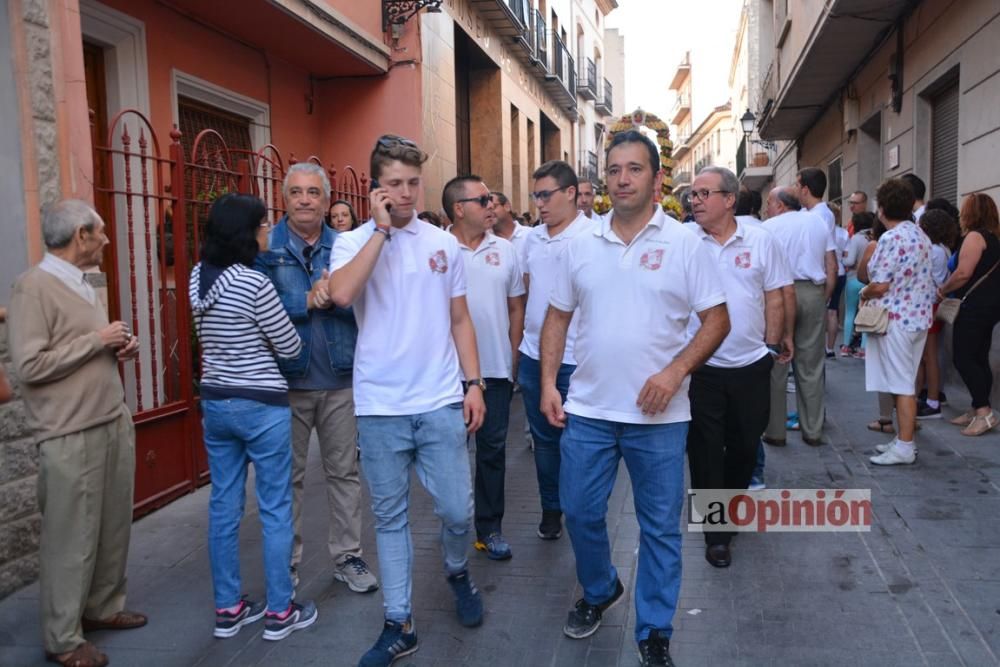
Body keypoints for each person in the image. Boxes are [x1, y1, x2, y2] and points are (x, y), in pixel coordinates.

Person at [540, 130, 729, 667]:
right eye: (614, 169)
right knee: (578, 511)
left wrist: (674, 373)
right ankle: (600, 589)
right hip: (590, 412)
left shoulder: (686, 242)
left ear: (656, 178)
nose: (622, 178)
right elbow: (558, 315)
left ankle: (654, 630)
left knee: (660, 529)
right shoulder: (581, 242)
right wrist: (551, 382)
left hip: (661, 419)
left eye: (634, 169)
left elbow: (718, 320)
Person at [328, 134, 486, 667]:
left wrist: (475, 383)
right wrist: (377, 230)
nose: (405, 193)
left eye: (413, 183)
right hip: (379, 407)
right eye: (394, 184)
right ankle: (399, 622)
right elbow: (343, 294)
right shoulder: (350, 242)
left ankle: (457, 569)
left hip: (440, 400)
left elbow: (459, 319)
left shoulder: (442, 245)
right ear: (376, 188)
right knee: (389, 518)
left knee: (457, 510)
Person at [9, 199, 146, 667]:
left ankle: (103, 607)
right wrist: (96, 342)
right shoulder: (32, 289)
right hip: (69, 431)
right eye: (102, 232)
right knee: (71, 538)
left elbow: (83, 349)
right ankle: (63, 638)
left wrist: (117, 350)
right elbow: (29, 366)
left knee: (111, 528)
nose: (108, 240)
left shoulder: (85, 283)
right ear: (80, 236)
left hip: (109, 418)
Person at [190, 194, 318, 640]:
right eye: (263, 224)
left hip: (216, 401)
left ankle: (228, 607)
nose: (269, 230)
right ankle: (280, 611)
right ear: (245, 232)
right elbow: (289, 345)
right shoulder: (253, 283)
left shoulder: (197, 278)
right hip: (261, 404)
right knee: (275, 506)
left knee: (224, 505)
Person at [256, 163, 377, 596]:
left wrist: (337, 295)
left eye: (313, 192)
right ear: (283, 198)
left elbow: (369, 300)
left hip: (341, 380)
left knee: (344, 473)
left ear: (327, 200)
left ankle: (348, 556)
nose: (305, 199)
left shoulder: (348, 245)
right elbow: (257, 303)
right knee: (286, 477)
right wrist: (306, 298)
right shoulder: (266, 247)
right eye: (296, 192)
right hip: (285, 384)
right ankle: (285, 566)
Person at [685, 167, 791, 568]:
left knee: (746, 445)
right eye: (692, 195)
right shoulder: (685, 242)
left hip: (751, 364)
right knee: (705, 450)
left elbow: (776, 297)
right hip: (702, 367)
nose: (694, 201)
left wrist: (770, 349)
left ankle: (729, 508)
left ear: (730, 199)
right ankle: (717, 533)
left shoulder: (762, 241)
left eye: (703, 193)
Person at [444, 175, 526, 560]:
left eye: (492, 198)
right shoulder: (438, 249)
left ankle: (489, 528)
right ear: (459, 208)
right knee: (449, 454)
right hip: (447, 375)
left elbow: (515, 308)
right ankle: (453, 523)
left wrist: (512, 359)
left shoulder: (506, 251)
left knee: (492, 451)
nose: (491, 204)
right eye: (483, 199)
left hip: (494, 370)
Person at [518, 160, 595, 541]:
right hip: (534, 356)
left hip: (579, 360)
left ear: (571, 194)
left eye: (546, 195)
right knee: (545, 442)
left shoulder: (594, 237)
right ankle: (552, 508)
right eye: (536, 197)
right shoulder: (532, 239)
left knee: (579, 443)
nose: (540, 204)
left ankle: (580, 508)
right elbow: (529, 291)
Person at [861, 179, 936, 465]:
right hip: (917, 318)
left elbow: (878, 285)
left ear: (881, 209)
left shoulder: (891, 238)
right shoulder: (920, 235)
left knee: (902, 384)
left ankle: (905, 446)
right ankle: (903, 438)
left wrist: (865, 292)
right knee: (904, 380)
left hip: (896, 320)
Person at [760, 187, 827, 446]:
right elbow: (830, 263)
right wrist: (823, 295)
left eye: (769, 202)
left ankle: (775, 430)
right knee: (811, 364)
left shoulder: (769, 227)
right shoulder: (818, 222)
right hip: (812, 290)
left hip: (778, 292)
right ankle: (813, 429)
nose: (767, 208)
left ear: (780, 204)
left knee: (777, 361)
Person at [937, 193, 1000, 436]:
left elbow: (963, 273)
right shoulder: (994, 237)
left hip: (974, 306)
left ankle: (983, 412)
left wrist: (943, 289)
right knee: (979, 357)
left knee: (963, 357)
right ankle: (978, 407)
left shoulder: (975, 237)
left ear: (971, 213)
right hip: (990, 306)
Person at [915, 210, 957, 419]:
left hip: (928, 305)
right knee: (927, 355)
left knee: (928, 355)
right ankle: (928, 396)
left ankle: (932, 400)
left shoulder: (932, 250)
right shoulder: (944, 249)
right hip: (933, 305)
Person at [842, 211, 876, 357]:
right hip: (870, 281)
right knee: (866, 312)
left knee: (850, 313)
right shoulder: (875, 238)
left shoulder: (856, 238)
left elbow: (849, 261)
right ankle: (863, 348)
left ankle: (846, 346)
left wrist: (842, 259)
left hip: (854, 279)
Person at [825, 214, 850, 357]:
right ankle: (830, 348)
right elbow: (847, 255)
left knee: (820, 312)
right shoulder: (844, 233)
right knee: (833, 311)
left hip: (823, 272)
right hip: (840, 272)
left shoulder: (821, 230)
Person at [490, 191, 531, 259]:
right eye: (486, 209)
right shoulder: (485, 241)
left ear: (507, 206)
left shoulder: (530, 235)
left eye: (493, 207)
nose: (489, 212)